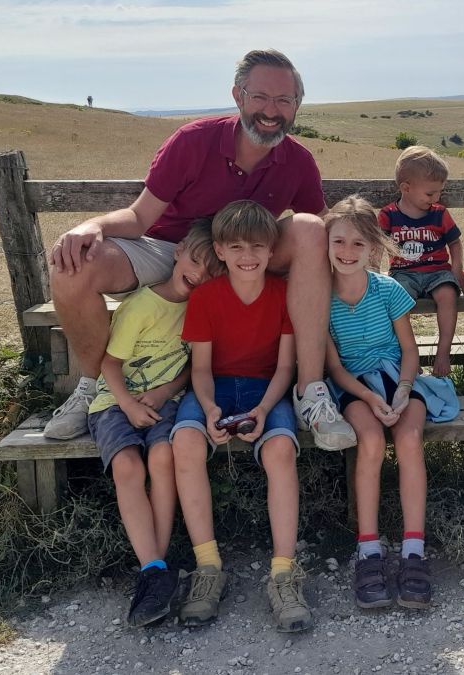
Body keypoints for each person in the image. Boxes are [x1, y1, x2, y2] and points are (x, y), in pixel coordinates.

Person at [44, 49, 355, 454]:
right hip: (172, 253)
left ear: (296, 105)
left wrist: (367, 255)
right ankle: (93, 387)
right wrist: (93, 226)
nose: (271, 110)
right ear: (238, 96)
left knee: (313, 229)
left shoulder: (297, 160)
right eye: (260, 96)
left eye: (284, 100)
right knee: (72, 268)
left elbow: (324, 229)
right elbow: (140, 219)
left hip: (245, 258)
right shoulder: (193, 141)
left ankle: (310, 393)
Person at [169, 200, 313, 633]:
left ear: (272, 252)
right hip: (215, 386)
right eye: (236, 246)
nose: (247, 256)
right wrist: (211, 408)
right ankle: (208, 567)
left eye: (257, 247)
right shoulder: (206, 297)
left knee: (282, 451)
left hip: (265, 388)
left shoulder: (282, 294)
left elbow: (286, 368)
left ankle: (284, 573)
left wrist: (265, 410)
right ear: (220, 250)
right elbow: (199, 368)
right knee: (186, 442)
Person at [324, 196, 459, 611]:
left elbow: (409, 350)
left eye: (359, 244)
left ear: (375, 248)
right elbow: (334, 367)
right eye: (339, 242)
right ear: (325, 245)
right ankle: (368, 549)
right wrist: (368, 397)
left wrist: (402, 390)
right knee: (369, 441)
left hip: (397, 379)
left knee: (410, 440)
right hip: (354, 387)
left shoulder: (387, 290)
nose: (348, 253)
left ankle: (413, 548)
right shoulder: (319, 298)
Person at [85, 223, 223, 627]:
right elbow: (108, 365)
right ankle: (154, 569)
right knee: (129, 466)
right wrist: (127, 404)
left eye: (209, 273)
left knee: (163, 457)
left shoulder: (199, 310)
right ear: (178, 251)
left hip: (166, 402)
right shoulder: (143, 306)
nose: (198, 275)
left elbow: (190, 369)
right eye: (195, 261)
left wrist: (164, 394)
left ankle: (155, 570)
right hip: (115, 401)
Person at [378, 146, 464, 377]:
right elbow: (377, 244)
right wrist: (373, 274)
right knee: (398, 300)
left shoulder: (439, 213)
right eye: (430, 194)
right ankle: (410, 356)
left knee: (448, 294)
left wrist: (456, 271)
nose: (436, 198)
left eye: (439, 192)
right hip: (403, 272)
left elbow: (455, 243)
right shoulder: (388, 215)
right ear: (406, 189)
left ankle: (443, 352)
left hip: (438, 271)